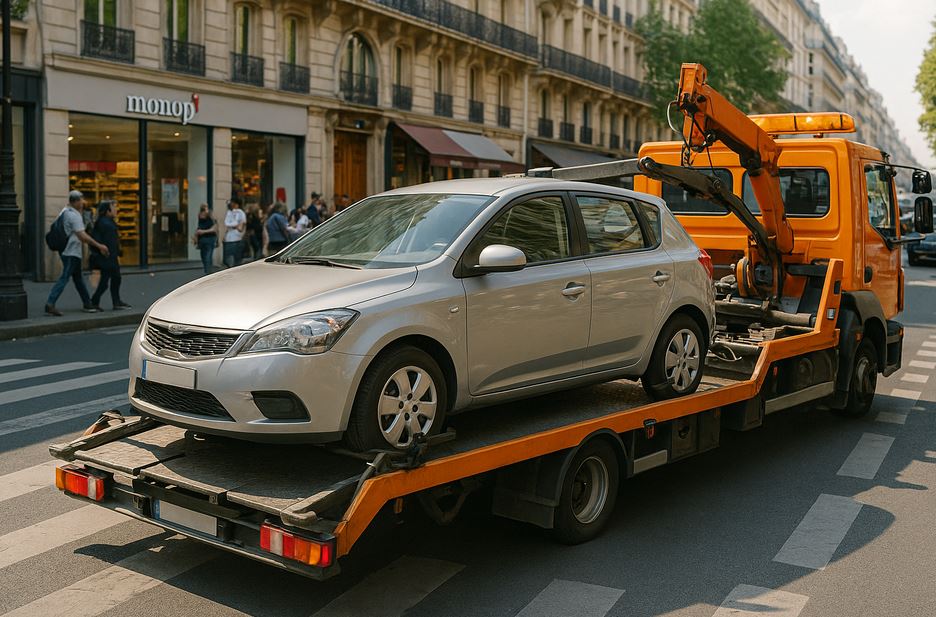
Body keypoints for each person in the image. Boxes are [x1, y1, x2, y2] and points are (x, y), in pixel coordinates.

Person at [45, 190, 110, 316]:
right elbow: (82, 236)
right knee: (64, 278)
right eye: (80, 199)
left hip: (67, 251)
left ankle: (87, 303)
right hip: (71, 251)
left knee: (78, 279)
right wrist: (99, 245)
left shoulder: (64, 212)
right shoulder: (74, 216)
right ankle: (50, 303)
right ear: (74, 201)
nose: (82, 202)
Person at [89, 201, 131, 311]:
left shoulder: (104, 222)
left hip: (107, 257)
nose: (116, 210)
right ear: (108, 211)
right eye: (113, 208)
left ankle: (109, 301)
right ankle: (96, 301)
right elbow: (111, 242)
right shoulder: (107, 224)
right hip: (108, 257)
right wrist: (114, 254)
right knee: (109, 280)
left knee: (112, 279)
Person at [193, 204, 217, 274]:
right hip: (202, 240)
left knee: (207, 257)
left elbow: (214, 229)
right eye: (202, 210)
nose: (203, 213)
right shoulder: (200, 217)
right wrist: (196, 237)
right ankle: (207, 271)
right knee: (204, 257)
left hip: (210, 239)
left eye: (204, 210)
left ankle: (208, 272)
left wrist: (202, 232)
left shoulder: (211, 217)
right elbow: (198, 228)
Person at [223, 197, 247, 267]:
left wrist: (235, 225)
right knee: (227, 258)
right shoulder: (229, 212)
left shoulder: (240, 213)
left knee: (237, 259)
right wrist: (236, 224)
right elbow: (226, 223)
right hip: (229, 238)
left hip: (237, 238)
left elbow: (242, 225)